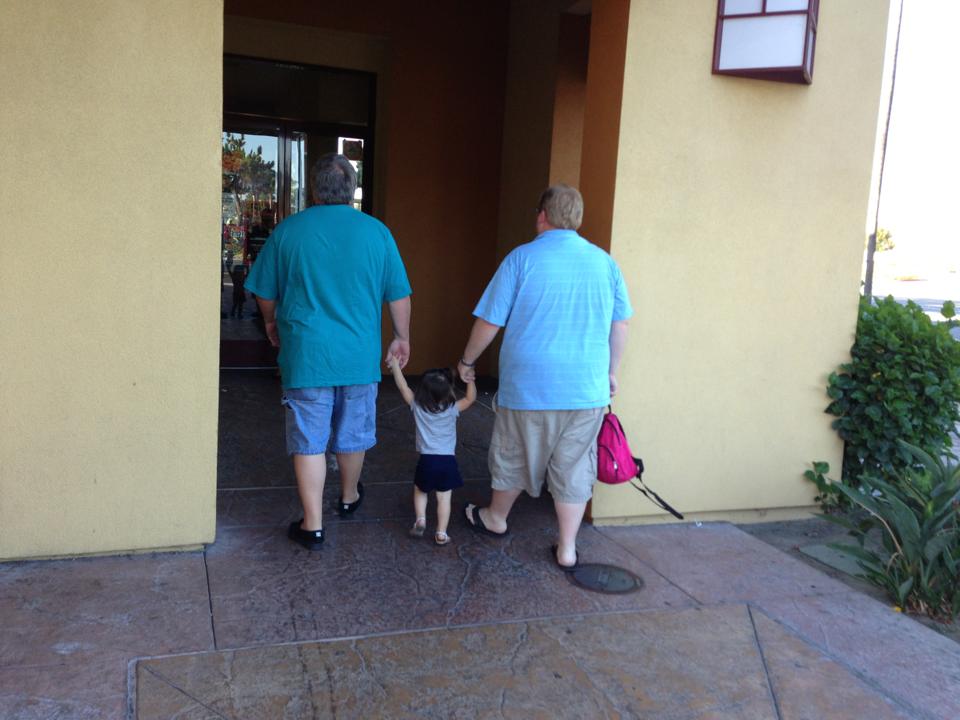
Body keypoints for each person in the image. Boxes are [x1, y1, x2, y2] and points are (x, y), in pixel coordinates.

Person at [457, 184, 631, 570]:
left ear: (542, 216)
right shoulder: (605, 264)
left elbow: (490, 321)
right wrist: (611, 372)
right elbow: (620, 324)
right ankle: (567, 548)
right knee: (575, 465)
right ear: (578, 219)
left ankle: (496, 518)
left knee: (515, 453)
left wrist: (467, 361)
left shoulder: (521, 259)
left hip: (529, 386)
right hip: (586, 388)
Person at [245, 153, 412, 551]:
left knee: (309, 438)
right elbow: (398, 294)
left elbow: (263, 291)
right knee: (353, 433)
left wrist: (270, 322)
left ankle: (313, 525)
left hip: (307, 354)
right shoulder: (377, 233)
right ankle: (349, 497)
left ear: (314, 189)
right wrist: (401, 336)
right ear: (351, 189)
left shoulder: (289, 231)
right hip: (358, 355)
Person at [387, 358, 476, 545]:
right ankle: (441, 533)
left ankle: (421, 519)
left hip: (427, 461)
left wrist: (395, 366)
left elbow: (403, 387)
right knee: (444, 498)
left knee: (420, 490)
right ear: (449, 392)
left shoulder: (418, 406)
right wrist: (470, 380)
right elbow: (470, 399)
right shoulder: (452, 408)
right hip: (447, 462)